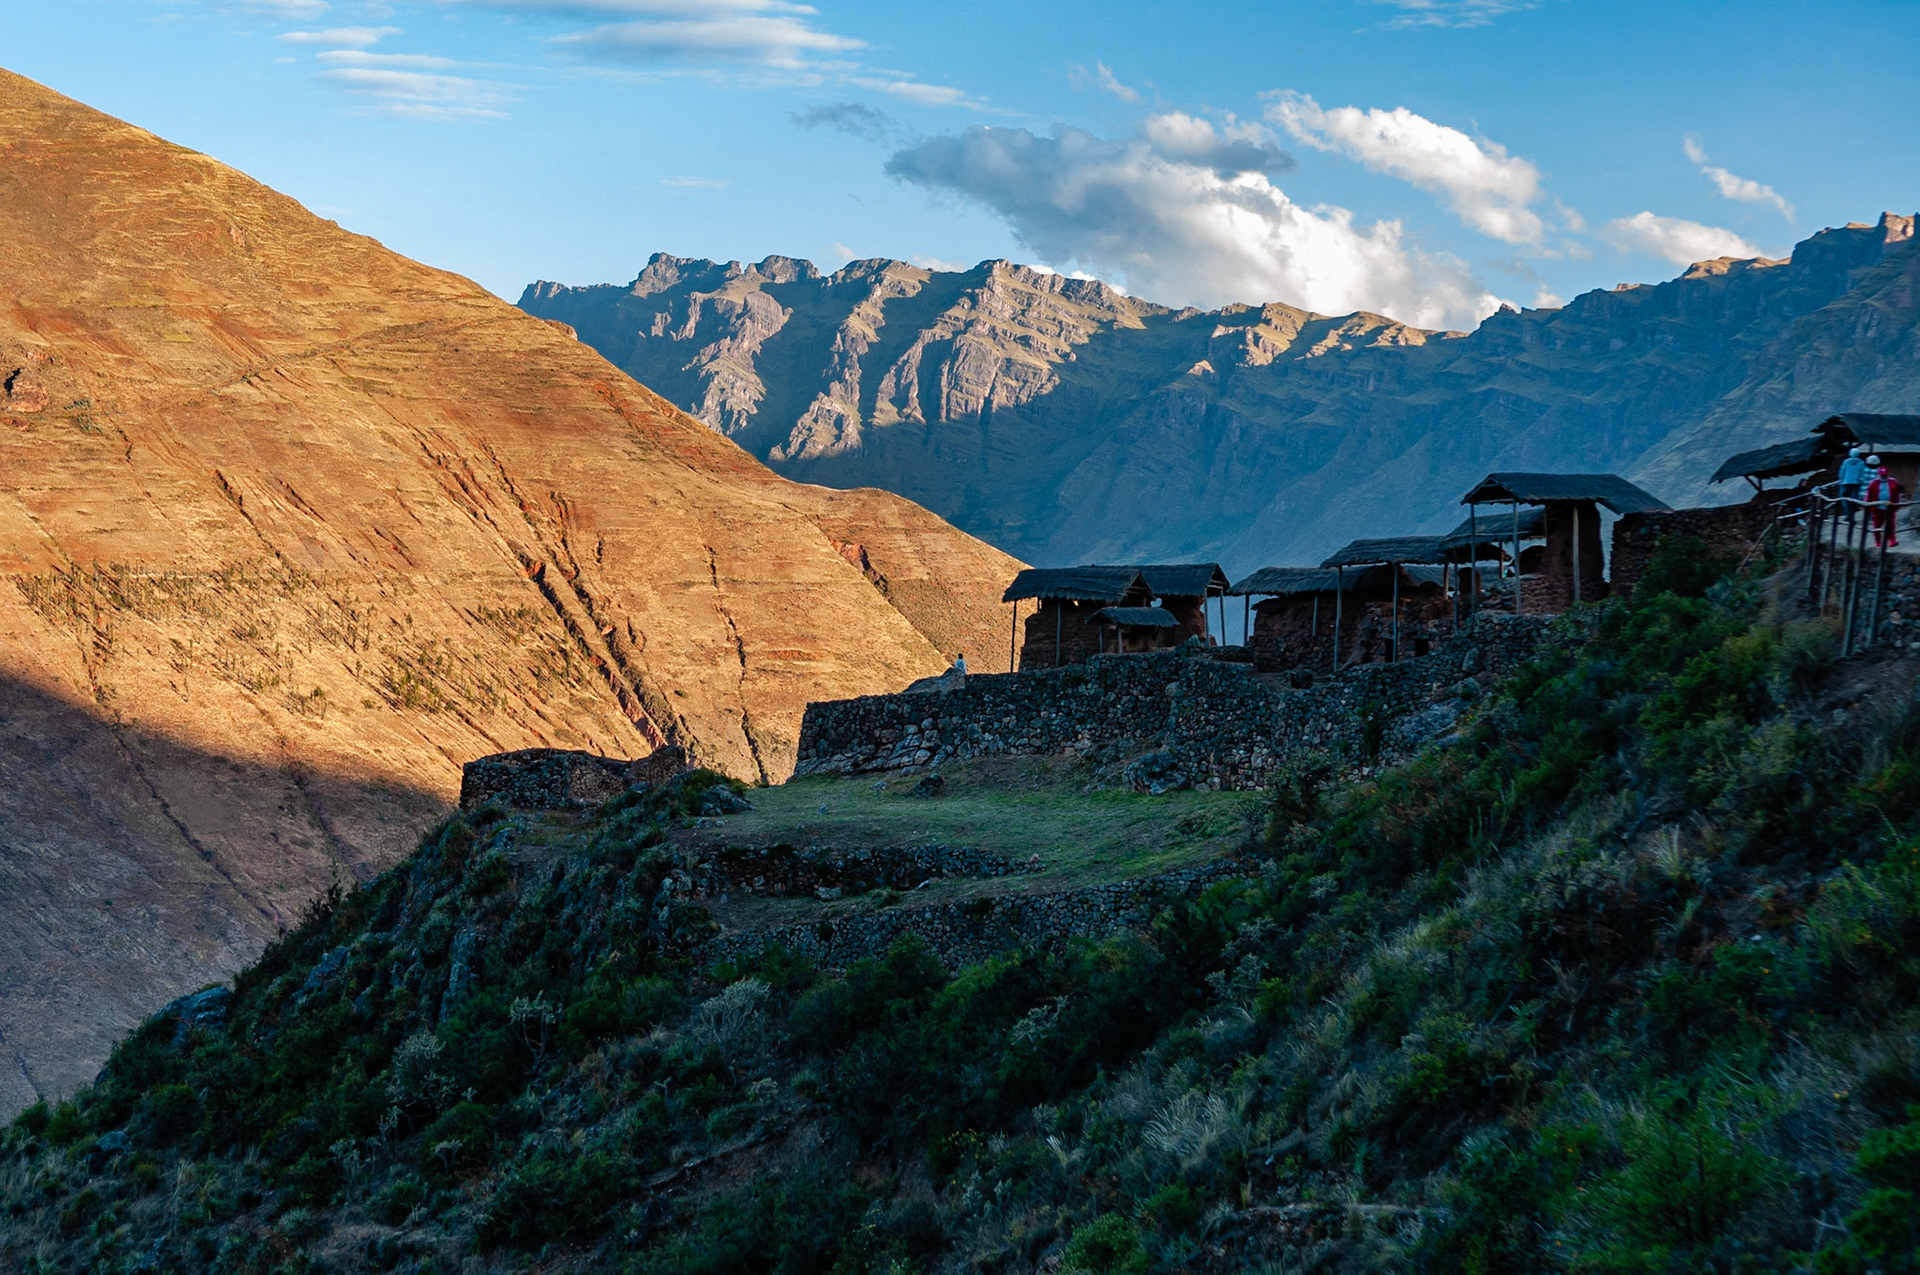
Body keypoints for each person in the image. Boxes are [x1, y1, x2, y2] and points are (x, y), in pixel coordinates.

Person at [1867, 465, 1904, 549]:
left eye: (1885, 475)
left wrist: (1896, 506)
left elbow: (1897, 494)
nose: (1883, 476)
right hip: (1877, 508)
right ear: (1879, 474)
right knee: (1877, 525)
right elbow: (1869, 495)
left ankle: (1892, 540)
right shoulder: (1874, 483)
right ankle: (1878, 542)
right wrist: (1870, 506)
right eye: (1882, 475)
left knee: (1890, 525)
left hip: (1889, 508)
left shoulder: (1893, 482)